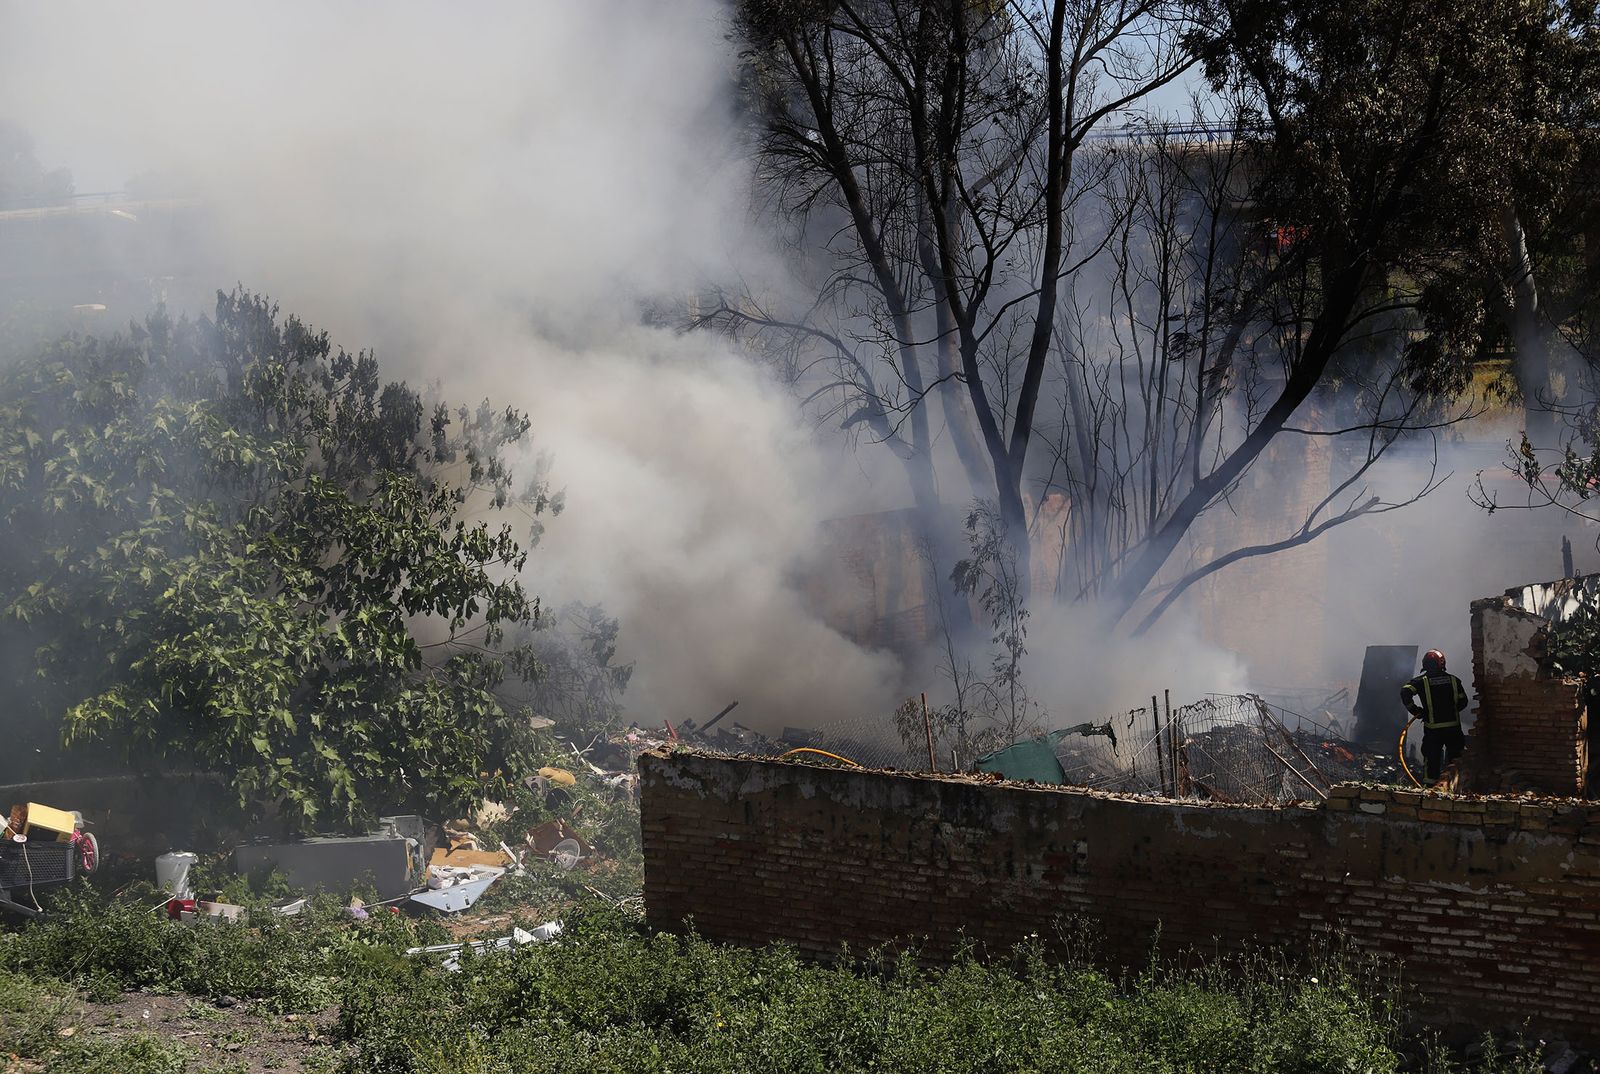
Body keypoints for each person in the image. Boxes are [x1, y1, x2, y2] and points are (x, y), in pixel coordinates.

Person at [1400, 649, 1469, 781]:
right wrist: (1450, 712)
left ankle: (1429, 792)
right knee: (1455, 762)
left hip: (1433, 730)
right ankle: (1454, 790)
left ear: (1425, 664)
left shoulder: (1421, 681)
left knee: (1431, 762)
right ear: (1442, 663)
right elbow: (1463, 702)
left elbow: (1405, 692)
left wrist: (1415, 710)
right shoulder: (1454, 680)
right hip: (1453, 729)